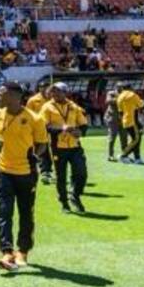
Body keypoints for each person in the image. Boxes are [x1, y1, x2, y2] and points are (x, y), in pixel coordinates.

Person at [0, 83, 49, 272]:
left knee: (25, 212)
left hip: (26, 173)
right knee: (4, 211)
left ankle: (23, 251)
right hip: (2, 171)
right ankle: (7, 252)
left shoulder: (34, 118)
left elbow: (42, 144)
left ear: (15, 96)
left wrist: (34, 157)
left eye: (2, 93)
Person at [42, 84, 89, 213]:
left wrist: (80, 132)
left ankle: (75, 195)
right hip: (57, 147)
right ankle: (64, 203)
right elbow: (45, 126)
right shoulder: (47, 107)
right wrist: (61, 128)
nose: (55, 95)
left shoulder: (73, 106)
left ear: (65, 92)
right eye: (53, 93)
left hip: (75, 146)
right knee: (61, 176)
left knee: (81, 173)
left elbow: (83, 123)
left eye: (57, 92)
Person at [116, 83, 144, 163]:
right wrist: (142, 102)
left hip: (125, 120)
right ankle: (123, 155)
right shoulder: (133, 95)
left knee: (135, 139)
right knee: (136, 139)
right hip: (133, 120)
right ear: (130, 88)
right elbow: (141, 106)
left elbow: (120, 112)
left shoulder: (119, 97)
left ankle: (137, 158)